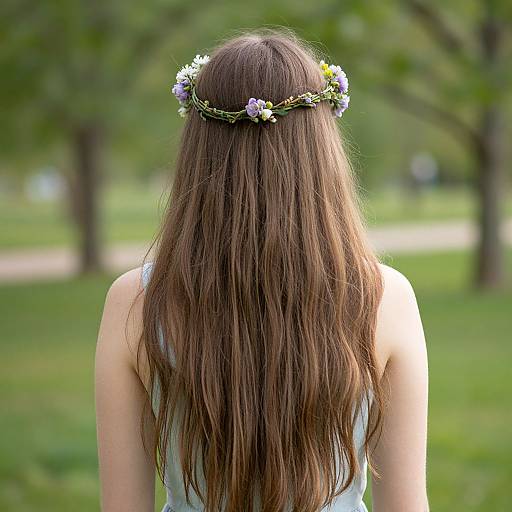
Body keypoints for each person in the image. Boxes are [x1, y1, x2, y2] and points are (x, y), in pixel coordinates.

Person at [95, 28, 429, 512]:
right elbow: (405, 505)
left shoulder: (134, 302)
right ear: (323, 153)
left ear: (196, 149)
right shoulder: (385, 299)